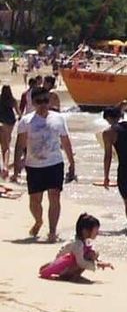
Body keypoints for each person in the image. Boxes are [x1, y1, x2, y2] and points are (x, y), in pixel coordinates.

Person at [12, 87, 76, 241]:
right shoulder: (26, 121)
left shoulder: (59, 119)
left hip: (54, 164)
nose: (43, 104)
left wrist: (72, 163)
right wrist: (16, 166)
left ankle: (52, 231)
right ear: (32, 102)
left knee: (54, 196)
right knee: (35, 200)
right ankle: (38, 221)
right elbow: (20, 144)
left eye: (46, 101)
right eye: (39, 101)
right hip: (34, 166)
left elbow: (65, 141)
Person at [39, 213, 113, 281]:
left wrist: (99, 261)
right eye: (96, 231)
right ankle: (67, 276)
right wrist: (96, 265)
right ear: (85, 231)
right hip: (63, 267)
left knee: (93, 253)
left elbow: (91, 254)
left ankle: (71, 275)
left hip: (68, 264)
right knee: (88, 256)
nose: (97, 233)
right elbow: (81, 263)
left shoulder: (84, 241)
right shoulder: (78, 244)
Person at [0, 83, 17, 178]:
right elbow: (18, 112)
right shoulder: (12, 100)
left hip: (1, 121)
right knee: (6, 146)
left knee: (3, 145)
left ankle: (3, 168)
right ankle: (5, 166)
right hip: (10, 122)